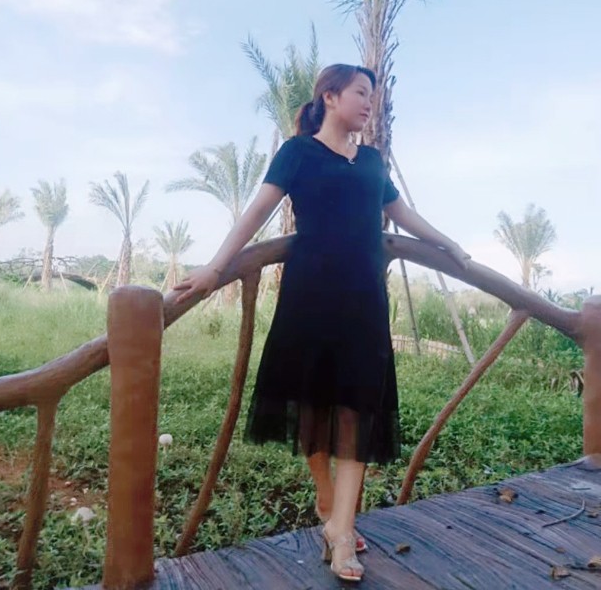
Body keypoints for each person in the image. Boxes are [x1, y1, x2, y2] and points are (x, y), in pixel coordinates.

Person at [174, 63, 470, 582]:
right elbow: (256, 212)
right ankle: (328, 500)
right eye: (361, 93)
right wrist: (215, 268)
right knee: (310, 399)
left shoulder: (372, 161)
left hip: (364, 303)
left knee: (359, 406)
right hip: (309, 297)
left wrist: (448, 243)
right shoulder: (298, 153)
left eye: (372, 96)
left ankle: (342, 530)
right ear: (330, 97)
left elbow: (402, 215)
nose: (369, 104)